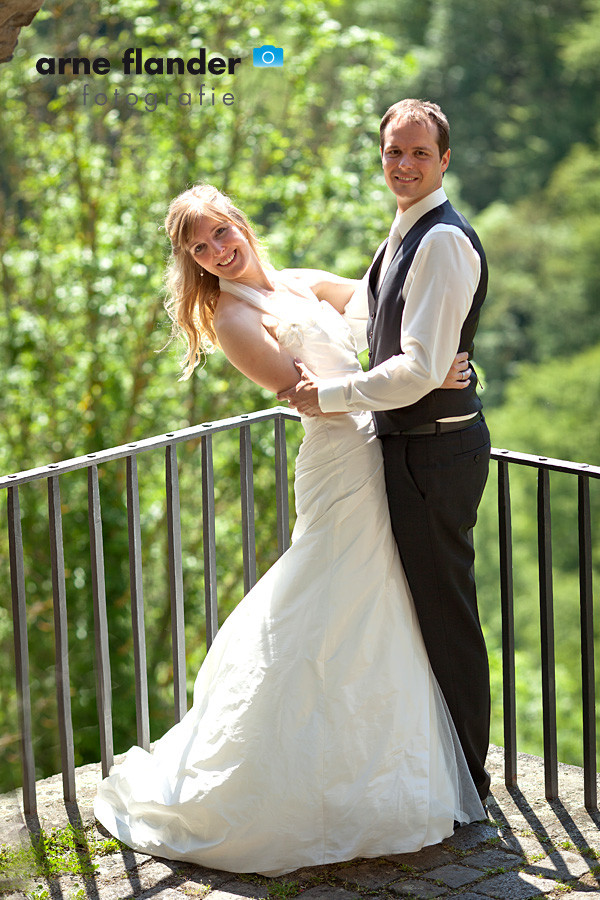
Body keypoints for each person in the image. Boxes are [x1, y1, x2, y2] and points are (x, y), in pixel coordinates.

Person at [94, 183, 485, 877]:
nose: (219, 251)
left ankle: (381, 773)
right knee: (331, 596)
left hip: (380, 444)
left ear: (240, 221)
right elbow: (312, 399)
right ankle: (281, 782)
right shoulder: (232, 318)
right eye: (200, 248)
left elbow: (390, 310)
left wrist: (438, 361)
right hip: (341, 460)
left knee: (377, 604)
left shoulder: (302, 282)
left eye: (221, 232)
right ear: (194, 263)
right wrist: (415, 384)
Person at [278, 99, 492, 805]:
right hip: (412, 448)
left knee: (445, 616)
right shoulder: (402, 232)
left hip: (435, 454)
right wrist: (278, 285)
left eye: (418, 154)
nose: (403, 165)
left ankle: (470, 786)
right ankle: (439, 771)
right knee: (419, 611)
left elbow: (418, 369)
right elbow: (376, 320)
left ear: (445, 160)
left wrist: (328, 397)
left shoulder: (442, 240)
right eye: (393, 152)